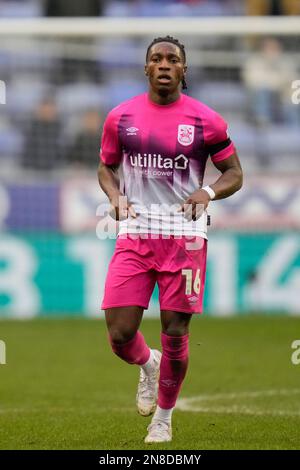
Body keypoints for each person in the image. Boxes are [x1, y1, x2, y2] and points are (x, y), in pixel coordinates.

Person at [98, 35, 243, 443]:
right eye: (157, 59)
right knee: (120, 334)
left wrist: (208, 192)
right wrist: (114, 196)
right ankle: (148, 365)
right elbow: (106, 167)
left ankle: (162, 418)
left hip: (186, 237)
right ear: (146, 68)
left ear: (183, 70)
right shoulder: (120, 118)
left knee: (175, 330)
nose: (164, 64)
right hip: (136, 232)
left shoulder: (206, 120)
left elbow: (234, 172)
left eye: (172, 59)